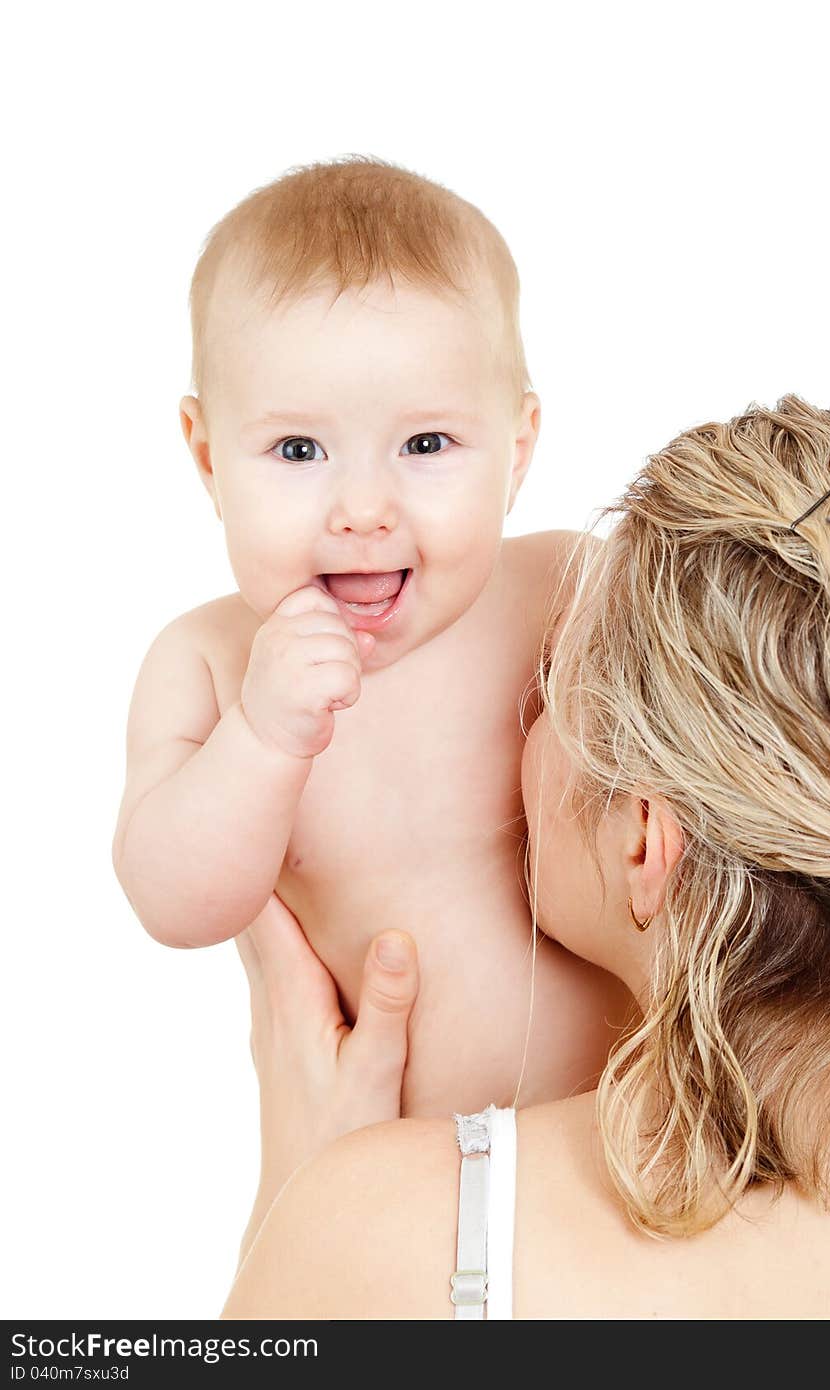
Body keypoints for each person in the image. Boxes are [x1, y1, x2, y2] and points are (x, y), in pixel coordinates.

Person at [222, 393, 830, 1319]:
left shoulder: (396, 1237)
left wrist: (300, 1183)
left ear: (648, 844)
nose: (516, 731)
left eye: (546, 692)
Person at [110, 154, 630, 1208]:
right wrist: (260, 738)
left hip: (633, 1138)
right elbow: (174, 901)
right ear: (206, 457)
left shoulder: (563, 592)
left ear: (518, 448)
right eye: (298, 448)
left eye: (426, 443)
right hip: (400, 1188)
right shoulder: (209, 666)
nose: (361, 507)